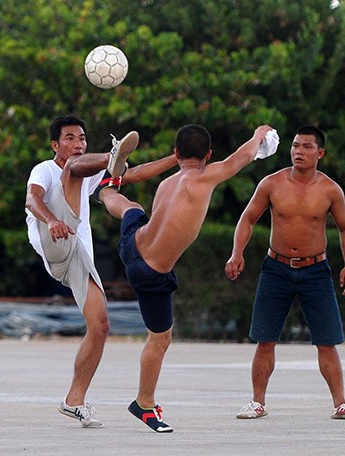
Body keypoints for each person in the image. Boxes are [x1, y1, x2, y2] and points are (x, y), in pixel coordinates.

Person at [97, 124, 275, 432]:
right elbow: (243, 157)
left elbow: (139, 178)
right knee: (160, 339)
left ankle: (106, 189)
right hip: (150, 273)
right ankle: (144, 403)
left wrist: (123, 174)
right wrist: (259, 135)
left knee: (131, 207)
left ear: (177, 153)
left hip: (132, 245)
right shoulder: (205, 176)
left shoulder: (167, 183)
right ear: (208, 155)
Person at [25, 115, 179, 428]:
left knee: (100, 325)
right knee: (74, 169)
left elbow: (132, 175)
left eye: (81, 138)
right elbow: (32, 199)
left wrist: (175, 159)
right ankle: (111, 156)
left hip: (77, 256)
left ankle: (74, 401)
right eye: (70, 138)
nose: (78, 143)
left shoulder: (85, 170)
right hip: (52, 241)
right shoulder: (45, 168)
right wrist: (52, 221)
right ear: (55, 145)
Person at [225, 125, 345, 420]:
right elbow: (248, 218)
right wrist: (236, 252)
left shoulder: (330, 189)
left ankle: (341, 403)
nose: (299, 152)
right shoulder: (272, 183)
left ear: (320, 153)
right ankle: (257, 402)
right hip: (275, 269)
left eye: (307, 147)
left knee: (327, 340)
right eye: (295, 146)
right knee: (265, 338)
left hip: (316, 271)